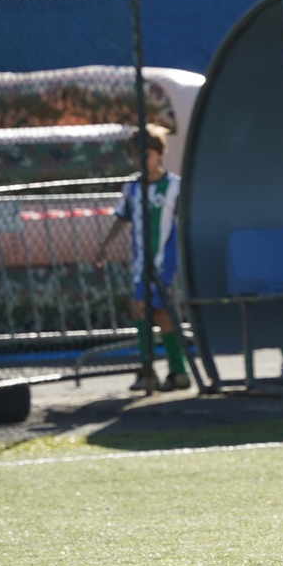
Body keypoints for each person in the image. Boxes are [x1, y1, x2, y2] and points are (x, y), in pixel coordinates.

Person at [108, 125, 189, 393]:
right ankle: (166, 371)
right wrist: (104, 247)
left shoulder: (174, 186)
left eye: (147, 154)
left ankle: (165, 370)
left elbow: (184, 219)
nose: (142, 160)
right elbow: (123, 217)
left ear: (159, 153)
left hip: (163, 263)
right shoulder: (132, 187)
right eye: (136, 155)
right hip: (140, 263)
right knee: (146, 309)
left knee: (150, 308)